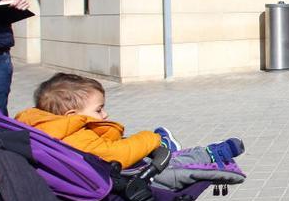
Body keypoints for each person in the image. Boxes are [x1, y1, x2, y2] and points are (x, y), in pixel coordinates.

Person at [14, 73, 245, 189]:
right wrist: (151, 139)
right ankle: (208, 155)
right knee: (170, 162)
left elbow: (104, 146)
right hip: (122, 177)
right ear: (72, 116)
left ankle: (206, 152)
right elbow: (118, 155)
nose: (104, 115)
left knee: (163, 156)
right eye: (99, 109)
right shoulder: (76, 137)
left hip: (107, 166)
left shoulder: (44, 127)